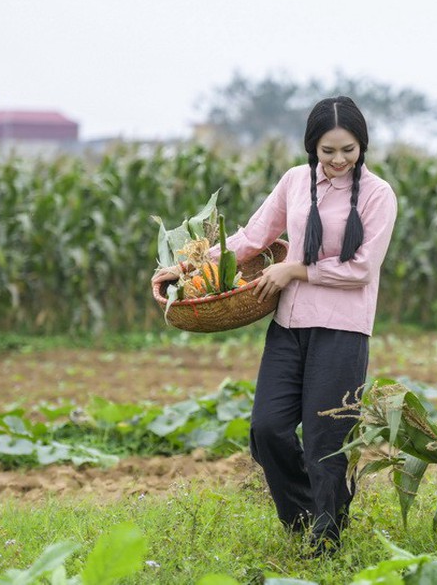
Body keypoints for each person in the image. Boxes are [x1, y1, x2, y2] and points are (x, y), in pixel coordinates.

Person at [152, 96, 397, 555]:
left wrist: (295, 270)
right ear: (312, 148)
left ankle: (326, 540)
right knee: (267, 429)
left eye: (348, 149)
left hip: (343, 331)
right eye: (328, 151)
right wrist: (188, 269)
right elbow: (250, 238)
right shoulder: (294, 182)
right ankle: (304, 517)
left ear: (362, 145)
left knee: (326, 440)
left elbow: (362, 269)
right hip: (288, 325)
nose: (339, 160)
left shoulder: (379, 195)